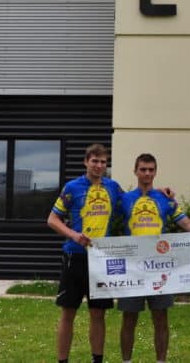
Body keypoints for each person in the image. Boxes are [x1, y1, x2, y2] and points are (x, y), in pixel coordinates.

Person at [117, 153, 190, 363]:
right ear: (135, 171)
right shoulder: (124, 199)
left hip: (159, 267)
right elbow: (104, 218)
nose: (147, 173)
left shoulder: (166, 199)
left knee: (161, 317)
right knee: (129, 318)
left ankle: (161, 361)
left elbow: (187, 223)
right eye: (143, 169)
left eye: (151, 169)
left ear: (156, 172)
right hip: (132, 268)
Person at [47, 143, 125, 363]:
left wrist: (159, 192)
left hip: (101, 259)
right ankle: (63, 361)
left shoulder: (113, 187)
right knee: (68, 312)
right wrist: (73, 235)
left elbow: (134, 202)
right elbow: (52, 219)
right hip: (75, 256)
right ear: (86, 162)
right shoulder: (72, 187)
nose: (99, 166)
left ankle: (97, 360)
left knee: (98, 314)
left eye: (103, 162)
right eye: (95, 161)